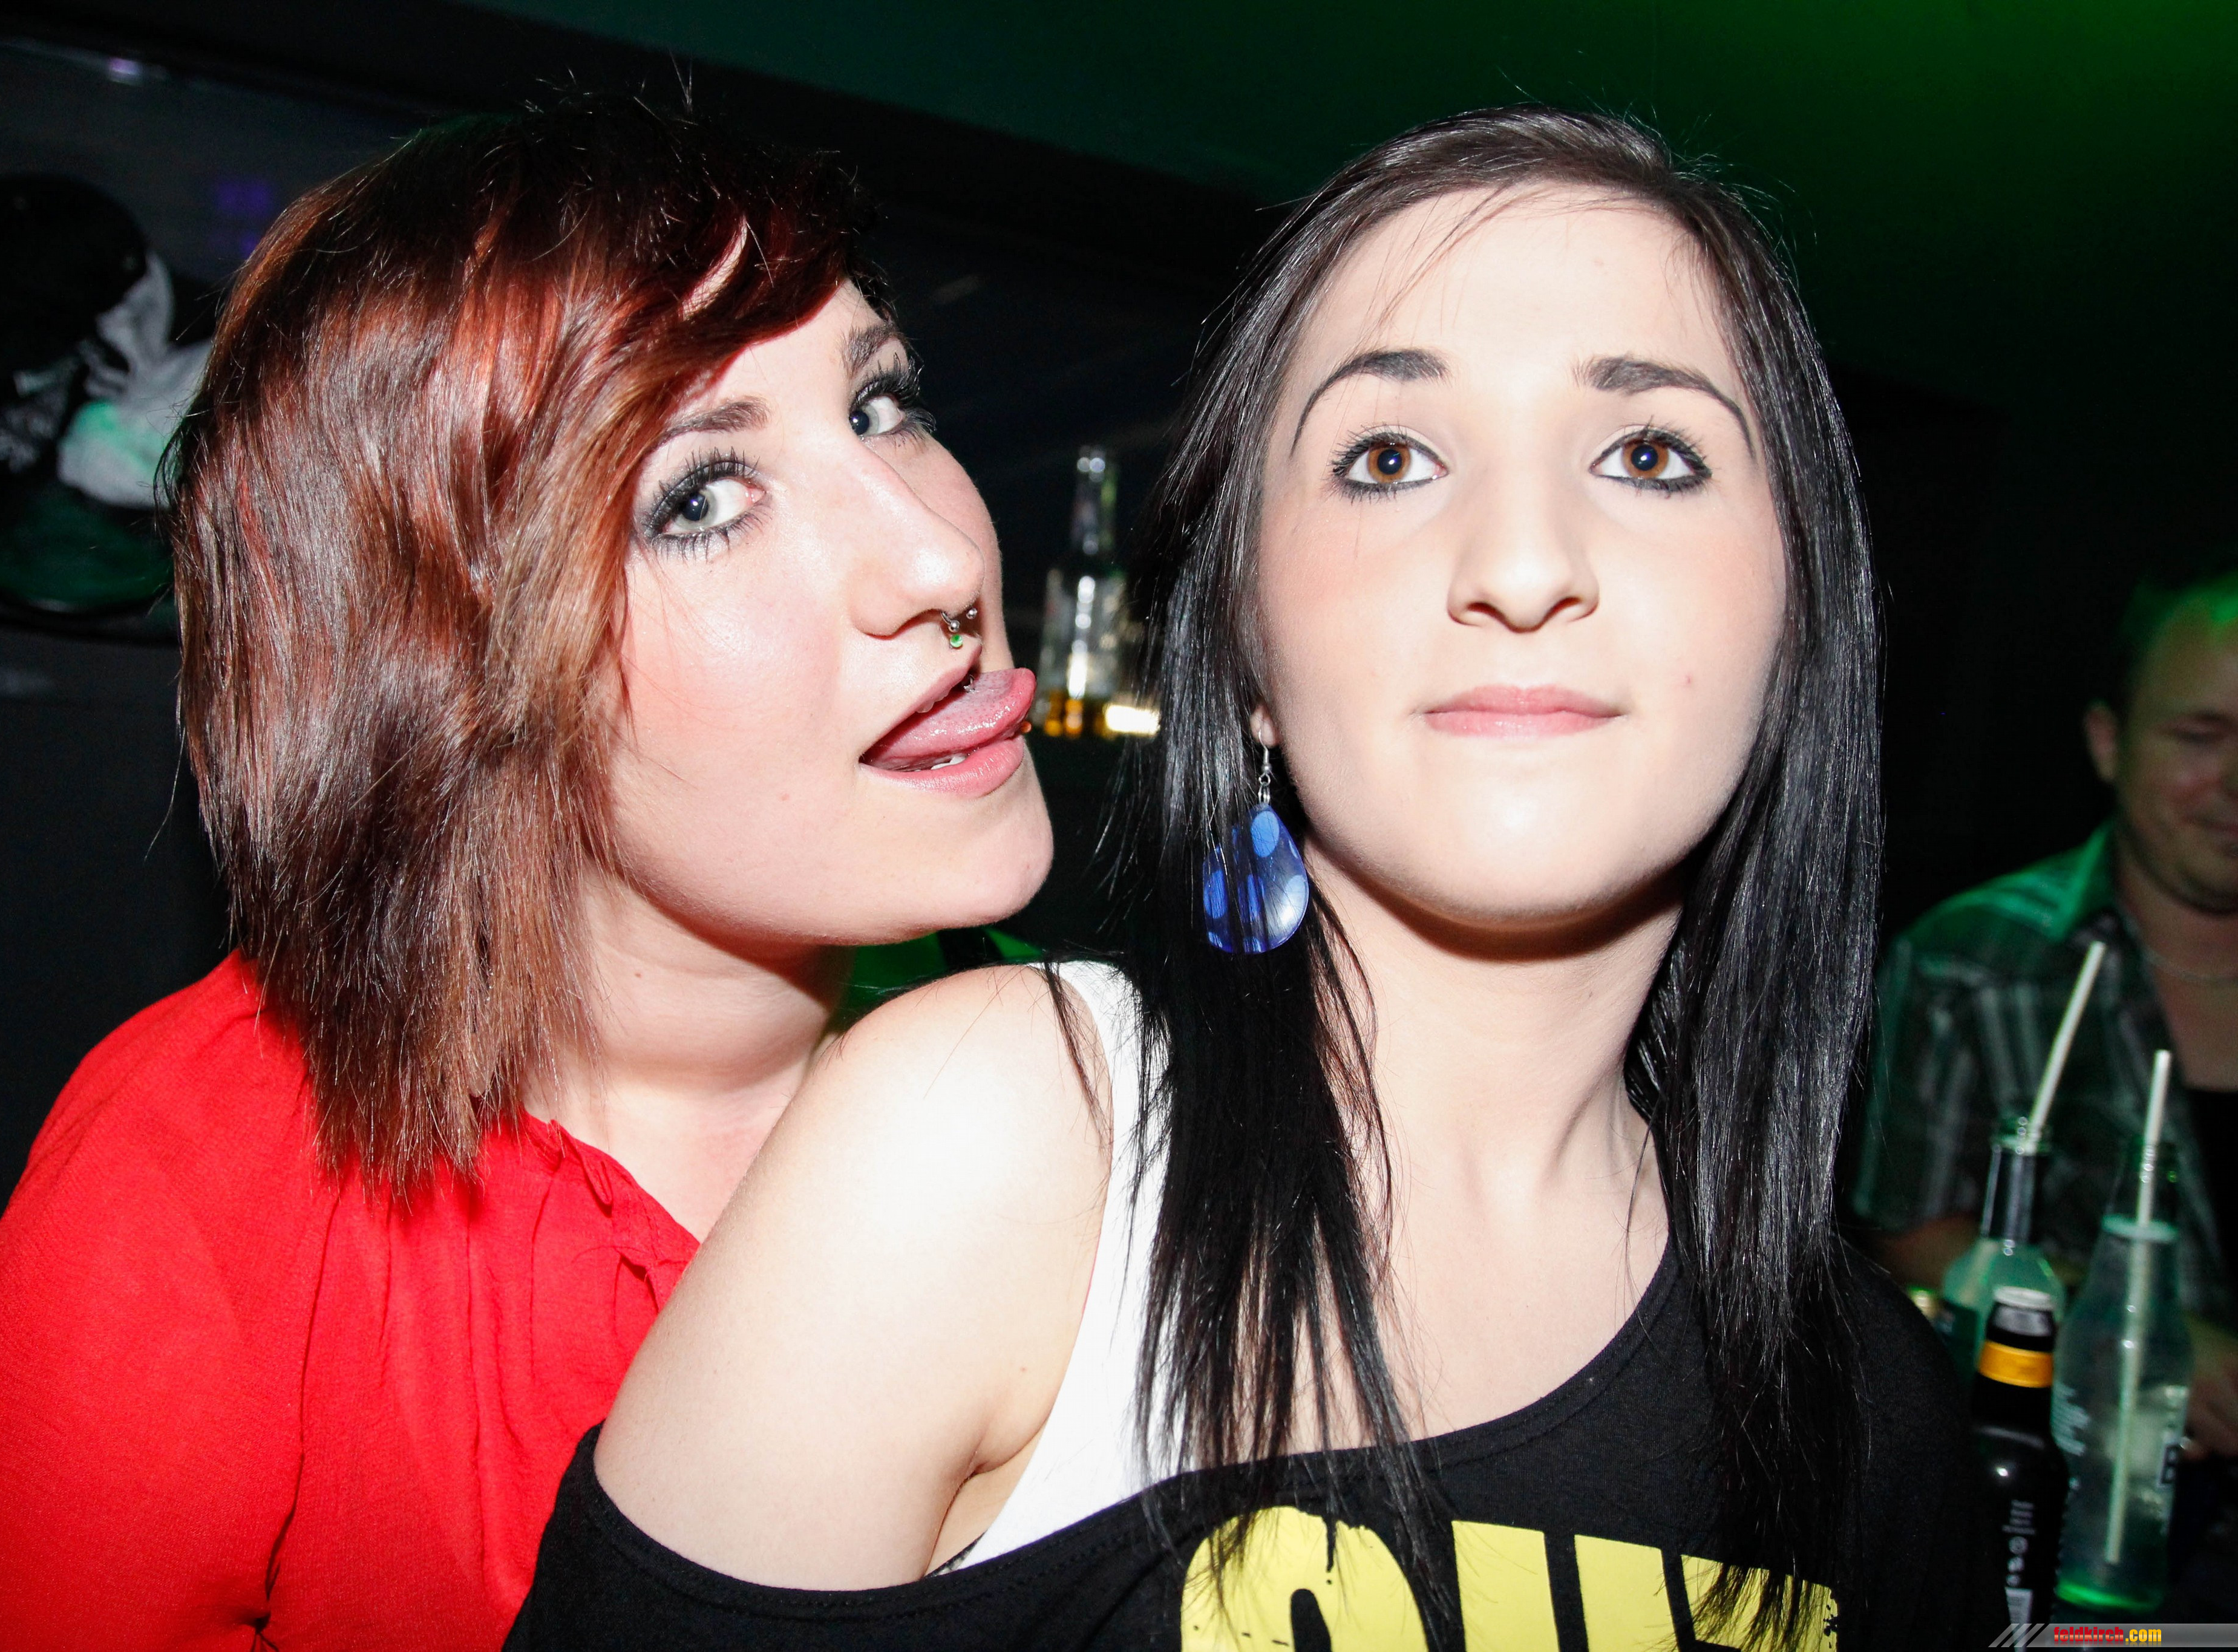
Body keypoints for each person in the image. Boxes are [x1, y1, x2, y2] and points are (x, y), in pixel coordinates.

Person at [507, 108, 2003, 1650]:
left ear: (1795, 616)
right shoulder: (1007, 1143)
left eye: (1646, 455)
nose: (1520, 564)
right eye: (1388, 459)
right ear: (1247, 651)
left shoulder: (1878, 1421)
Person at [0, 100, 1052, 1651]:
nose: (940, 559)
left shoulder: (1057, 1071)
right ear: (449, 673)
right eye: (700, 497)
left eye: (880, 405)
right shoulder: (208, 1180)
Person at [1856, 563, 2238, 1456]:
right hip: (2094, 1496)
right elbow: (1908, 1238)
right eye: (2201, 735)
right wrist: (2132, 1330)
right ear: (2109, 743)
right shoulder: (1977, 961)